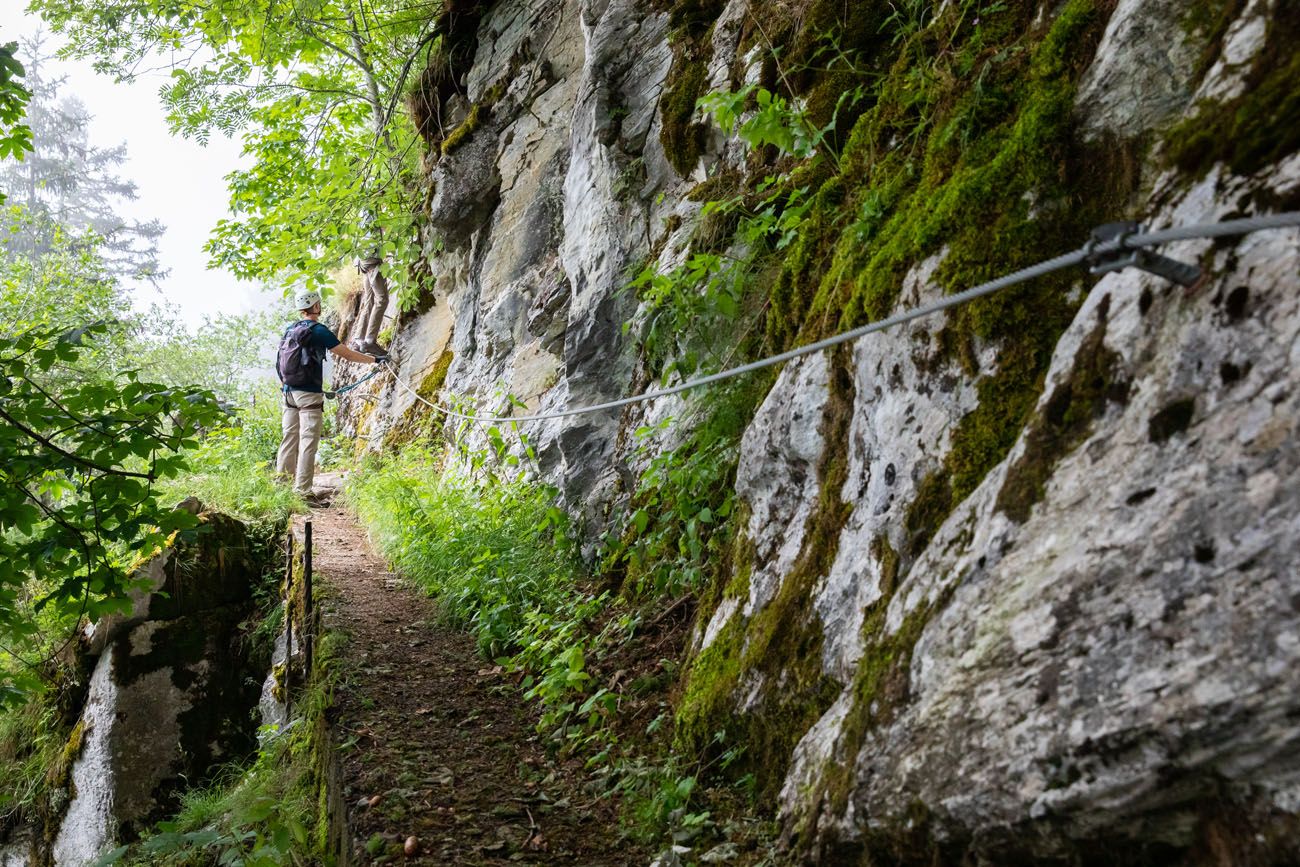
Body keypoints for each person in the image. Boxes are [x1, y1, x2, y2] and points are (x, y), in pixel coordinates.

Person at [276, 289, 386, 502]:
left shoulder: (291, 329)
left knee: (289, 439)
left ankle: (281, 489)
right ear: (316, 306)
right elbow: (345, 353)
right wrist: (374, 361)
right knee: (308, 441)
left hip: (288, 393)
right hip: (308, 395)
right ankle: (302, 493)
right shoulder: (318, 330)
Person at [351, 255, 390, 355]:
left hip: (363, 264)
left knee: (369, 301)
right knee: (382, 300)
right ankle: (369, 342)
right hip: (372, 264)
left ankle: (359, 340)